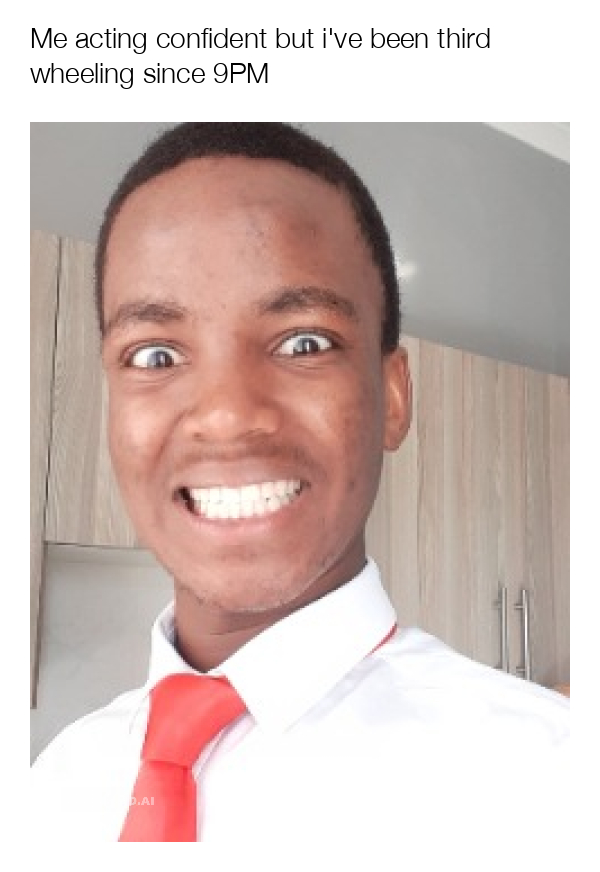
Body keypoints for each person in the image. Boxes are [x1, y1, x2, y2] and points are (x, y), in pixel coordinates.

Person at [31, 123, 569, 852]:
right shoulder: (53, 785)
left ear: (393, 398)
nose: (226, 416)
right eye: (154, 355)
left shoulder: (552, 786)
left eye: (303, 342)